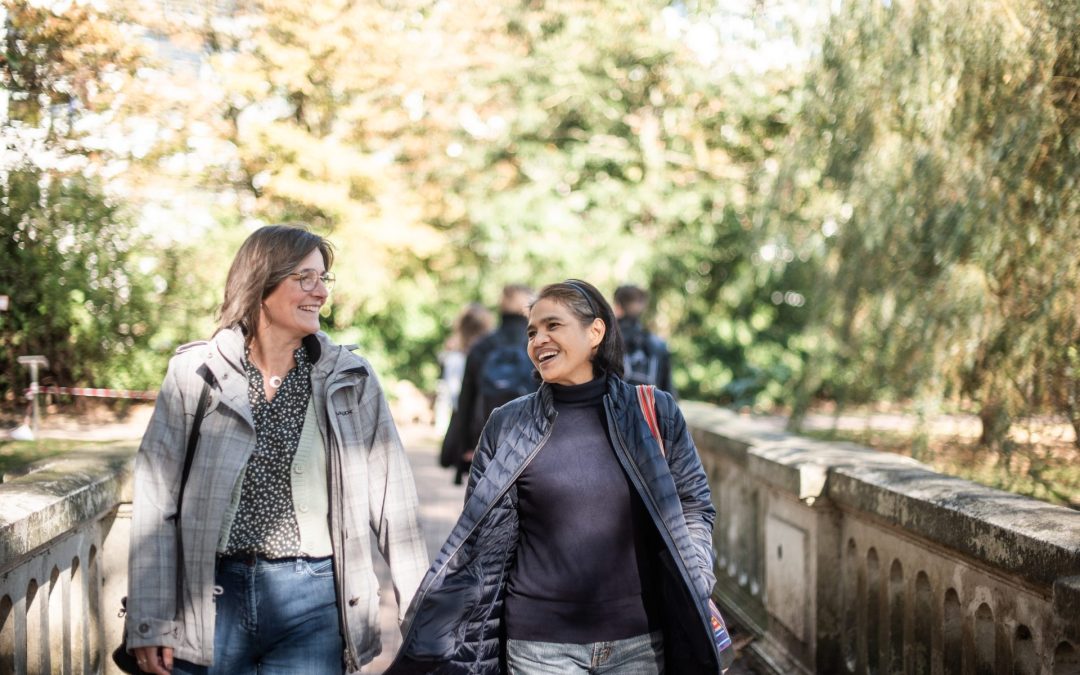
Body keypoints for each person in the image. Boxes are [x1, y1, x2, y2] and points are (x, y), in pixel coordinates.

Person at [123, 224, 429, 675]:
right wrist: (149, 621)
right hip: (209, 599)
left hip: (313, 603)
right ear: (261, 285)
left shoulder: (351, 380)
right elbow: (155, 500)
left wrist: (422, 622)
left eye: (324, 278)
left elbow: (394, 506)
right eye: (305, 278)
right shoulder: (196, 373)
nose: (321, 292)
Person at [386, 279, 734, 675]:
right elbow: (482, 540)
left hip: (638, 643)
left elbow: (693, 503)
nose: (538, 340)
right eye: (532, 331)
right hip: (539, 648)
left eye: (553, 325)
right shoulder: (507, 424)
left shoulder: (653, 411)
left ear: (595, 332)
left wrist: (697, 573)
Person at [440, 284, 536, 485]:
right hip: (530, 438)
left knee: (486, 503)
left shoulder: (482, 346)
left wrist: (466, 445)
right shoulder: (537, 344)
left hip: (486, 438)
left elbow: (466, 399)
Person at [434, 303, 494, 433]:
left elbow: (453, 398)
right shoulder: (488, 358)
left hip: (466, 425)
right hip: (474, 424)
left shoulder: (455, 359)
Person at [613, 284, 676, 395]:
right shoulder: (659, 345)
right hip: (650, 409)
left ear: (618, 307)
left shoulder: (606, 341)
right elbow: (669, 391)